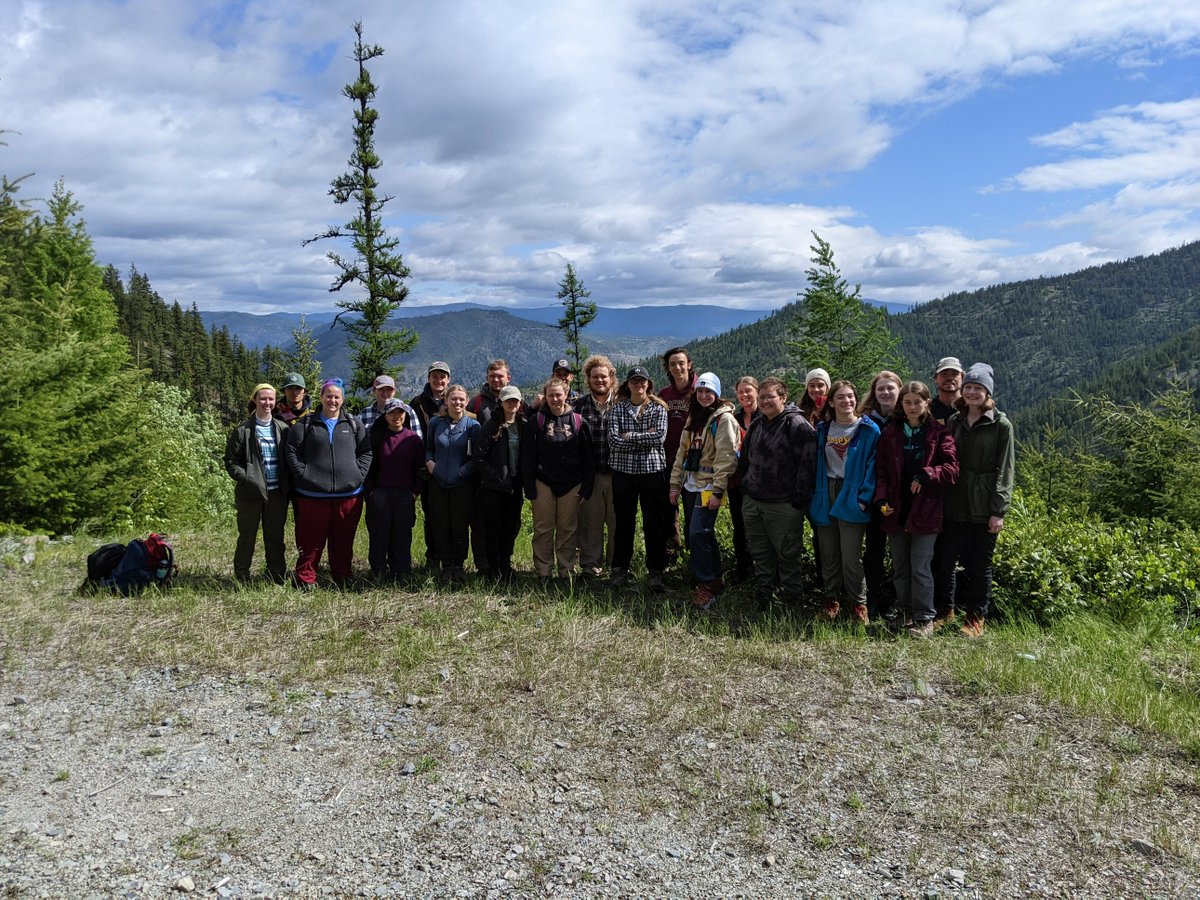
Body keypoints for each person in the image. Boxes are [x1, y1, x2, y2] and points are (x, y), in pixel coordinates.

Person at [874, 381, 958, 636]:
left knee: (920, 565)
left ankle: (924, 618)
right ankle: (904, 612)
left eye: (917, 402)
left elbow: (952, 469)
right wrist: (880, 500)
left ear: (926, 404)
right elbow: (881, 472)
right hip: (896, 509)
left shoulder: (938, 433)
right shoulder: (890, 432)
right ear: (902, 404)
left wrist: (927, 474)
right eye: (907, 402)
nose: (912, 407)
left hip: (926, 510)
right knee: (900, 565)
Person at [938, 364, 1015, 638]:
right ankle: (945, 612)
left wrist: (999, 510)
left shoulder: (1000, 424)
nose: (971, 392)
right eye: (968, 387)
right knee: (944, 560)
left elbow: (1006, 470)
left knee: (979, 564)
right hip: (953, 500)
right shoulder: (954, 421)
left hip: (983, 504)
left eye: (978, 388)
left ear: (987, 393)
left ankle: (975, 618)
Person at [736, 377, 817, 609]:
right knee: (760, 552)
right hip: (754, 500)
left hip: (783, 504)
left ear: (783, 397)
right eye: (762, 397)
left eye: (770, 396)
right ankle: (764, 596)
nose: (764, 401)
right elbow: (745, 457)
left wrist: (797, 501)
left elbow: (808, 464)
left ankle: (792, 599)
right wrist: (746, 485)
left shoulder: (797, 424)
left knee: (788, 554)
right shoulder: (759, 423)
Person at [285, 378, 372, 590]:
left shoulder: (353, 424)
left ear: (342, 399)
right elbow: (291, 452)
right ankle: (306, 578)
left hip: (348, 494)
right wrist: (303, 475)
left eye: (337, 396)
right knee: (310, 539)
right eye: (329, 396)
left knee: (342, 539)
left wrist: (358, 475)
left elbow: (366, 451)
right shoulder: (305, 424)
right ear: (321, 398)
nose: (332, 400)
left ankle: (342, 575)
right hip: (311, 494)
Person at [810, 380, 881, 624]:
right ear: (831, 402)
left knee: (850, 554)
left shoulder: (869, 430)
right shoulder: (822, 430)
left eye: (851, 396)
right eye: (840, 397)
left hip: (852, 493)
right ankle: (831, 599)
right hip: (826, 491)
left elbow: (874, 467)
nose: (847, 401)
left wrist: (864, 498)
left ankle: (858, 603)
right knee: (828, 552)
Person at [668, 373, 740, 611]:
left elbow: (727, 456)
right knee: (698, 533)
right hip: (690, 483)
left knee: (699, 531)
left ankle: (706, 584)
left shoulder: (724, 419)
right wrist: (675, 484)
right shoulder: (695, 417)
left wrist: (718, 489)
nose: (704, 396)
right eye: (700, 391)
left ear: (717, 394)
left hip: (709, 485)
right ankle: (715, 578)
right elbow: (682, 453)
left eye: (709, 392)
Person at [524, 378, 594, 581]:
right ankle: (544, 571)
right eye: (550, 395)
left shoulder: (579, 421)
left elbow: (588, 459)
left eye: (558, 394)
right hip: (543, 482)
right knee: (543, 528)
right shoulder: (536, 421)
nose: (555, 399)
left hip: (572, 484)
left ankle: (566, 571)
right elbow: (527, 457)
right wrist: (529, 487)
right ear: (545, 397)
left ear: (566, 394)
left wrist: (586, 488)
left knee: (568, 529)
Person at [608, 366, 669, 592]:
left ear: (648, 384)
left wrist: (629, 436)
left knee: (654, 523)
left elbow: (659, 438)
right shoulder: (617, 409)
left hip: (652, 472)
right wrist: (644, 437)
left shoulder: (658, 408)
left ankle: (656, 572)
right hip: (623, 474)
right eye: (634, 380)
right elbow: (613, 440)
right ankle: (620, 569)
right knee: (623, 522)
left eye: (642, 380)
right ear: (628, 384)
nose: (638, 384)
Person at [224, 383, 290, 584]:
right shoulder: (243, 430)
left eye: (271, 399)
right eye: (263, 398)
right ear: (254, 400)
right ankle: (242, 576)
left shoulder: (283, 428)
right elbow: (230, 461)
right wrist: (248, 478)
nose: (267, 403)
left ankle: (276, 576)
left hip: (276, 493)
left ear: (275, 401)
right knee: (247, 536)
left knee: (275, 537)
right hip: (250, 493)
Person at [858, 371, 903, 622]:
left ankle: (896, 601)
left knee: (900, 553)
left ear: (900, 389)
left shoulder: (909, 418)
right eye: (880, 389)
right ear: (874, 394)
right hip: (873, 496)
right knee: (874, 550)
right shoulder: (866, 422)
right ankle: (872, 599)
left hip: (902, 498)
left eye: (890, 388)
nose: (885, 393)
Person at [425, 384, 481, 582]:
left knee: (459, 525)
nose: (457, 402)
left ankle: (458, 564)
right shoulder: (435, 423)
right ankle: (445, 564)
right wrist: (431, 464)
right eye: (453, 399)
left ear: (466, 402)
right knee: (440, 524)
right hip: (438, 483)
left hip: (462, 484)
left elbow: (476, 457)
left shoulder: (473, 426)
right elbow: (429, 448)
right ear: (446, 401)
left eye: (461, 399)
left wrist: (461, 472)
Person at [364, 398, 424, 581]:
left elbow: (420, 469)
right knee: (379, 533)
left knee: (402, 533)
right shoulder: (377, 437)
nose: (396, 416)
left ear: (405, 415)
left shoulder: (413, 439)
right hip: (380, 492)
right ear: (385, 416)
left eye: (400, 412)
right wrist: (371, 492)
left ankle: (402, 570)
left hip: (405, 493)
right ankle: (378, 571)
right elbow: (369, 466)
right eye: (392, 413)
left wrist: (415, 492)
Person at [474, 384, 527, 583]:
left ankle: (505, 564)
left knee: (510, 527)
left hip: (514, 486)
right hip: (493, 488)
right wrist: (495, 477)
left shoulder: (523, 424)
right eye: (508, 400)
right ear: (501, 402)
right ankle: (492, 567)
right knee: (493, 528)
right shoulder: (491, 425)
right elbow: (479, 457)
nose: (512, 404)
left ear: (520, 402)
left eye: (515, 400)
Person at [575, 355, 618, 579]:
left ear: (611, 378)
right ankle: (590, 566)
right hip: (590, 475)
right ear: (588, 379)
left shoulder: (622, 404)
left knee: (616, 522)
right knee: (590, 523)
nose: (599, 380)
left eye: (603, 376)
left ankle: (616, 565)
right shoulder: (578, 406)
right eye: (595, 377)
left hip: (618, 474)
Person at [410, 361, 452, 569]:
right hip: (426, 468)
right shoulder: (417, 403)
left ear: (448, 379)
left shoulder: (454, 401)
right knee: (431, 515)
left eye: (443, 376)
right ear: (429, 378)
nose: (439, 380)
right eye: (435, 376)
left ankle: (450, 557)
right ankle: (432, 556)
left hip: (451, 466)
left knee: (451, 515)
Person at [659, 347, 697, 555]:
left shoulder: (700, 390)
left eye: (681, 363)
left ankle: (694, 554)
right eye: (672, 364)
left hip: (694, 462)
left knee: (694, 510)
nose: (677, 367)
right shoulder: (664, 394)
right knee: (668, 508)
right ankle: (672, 550)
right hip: (668, 460)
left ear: (689, 364)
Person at [727, 376, 763, 584]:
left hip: (761, 483)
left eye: (748, 390)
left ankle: (764, 571)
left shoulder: (765, 417)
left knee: (760, 528)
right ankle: (743, 568)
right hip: (738, 482)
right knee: (739, 526)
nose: (744, 395)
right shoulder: (735, 419)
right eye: (740, 392)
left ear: (757, 392)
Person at [361, 374, 422, 442]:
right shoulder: (365, 413)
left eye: (389, 389)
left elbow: (418, 439)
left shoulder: (407, 410)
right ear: (374, 390)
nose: (385, 392)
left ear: (394, 391)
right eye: (381, 389)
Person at [930, 357, 963, 425]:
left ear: (962, 378)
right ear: (935, 379)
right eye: (944, 374)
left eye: (954, 374)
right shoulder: (928, 410)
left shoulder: (971, 408)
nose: (950, 378)